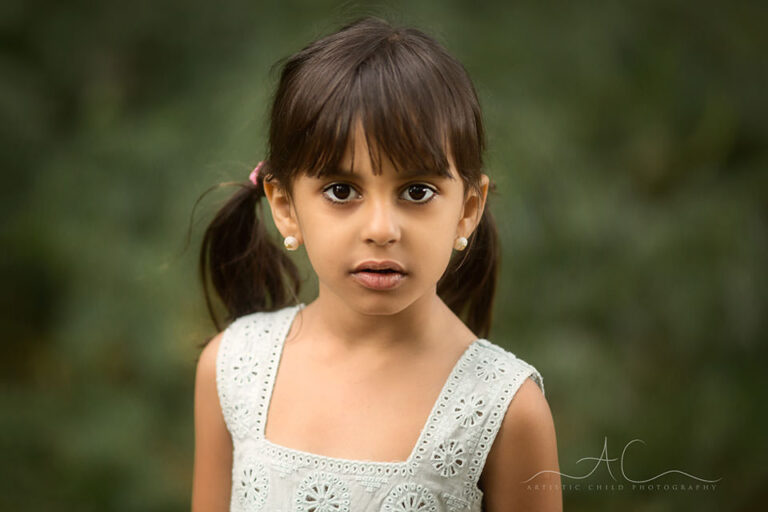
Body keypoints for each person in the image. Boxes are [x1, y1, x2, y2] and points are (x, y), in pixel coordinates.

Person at [191, 15, 561, 512]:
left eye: (417, 191)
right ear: (284, 206)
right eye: (342, 191)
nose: (382, 228)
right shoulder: (232, 368)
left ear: (468, 208)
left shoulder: (507, 410)